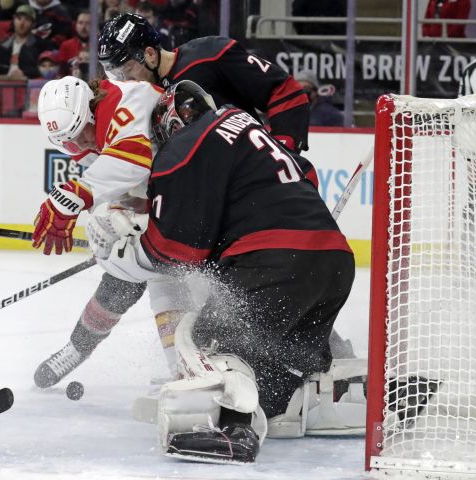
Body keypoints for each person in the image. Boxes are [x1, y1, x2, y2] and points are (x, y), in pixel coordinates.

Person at [91, 80, 356, 464]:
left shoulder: (183, 147)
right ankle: (357, 395)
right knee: (280, 362)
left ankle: (235, 430)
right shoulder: (243, 124)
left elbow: (174, 252)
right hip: (333, 261)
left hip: (277, 262)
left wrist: (114, 254)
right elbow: (304, 174)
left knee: (206, 340)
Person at [31, 75, 197, 389]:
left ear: (91, 112)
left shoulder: (125, 100)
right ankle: (81, 347)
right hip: (173, 195)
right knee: (131, 274)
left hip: (198, 196)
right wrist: (112, 218)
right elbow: (129, 184)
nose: (78, 146)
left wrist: (77, 194)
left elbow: (134, 160)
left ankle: (185, 368)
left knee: (156, 271)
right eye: (67, 142)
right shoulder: (89, 130)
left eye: (80, 134)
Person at [97, 12, 310, 154]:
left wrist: (283, 149)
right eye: (116, 74)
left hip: (251, 177)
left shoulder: (210, 55)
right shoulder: (141, 97)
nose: (125, 82)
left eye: (127, 71)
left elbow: (283, 90)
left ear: (150, 54)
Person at [0, 4, 53, 80]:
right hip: (3, 85)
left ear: (33, 24)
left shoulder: (42, 46)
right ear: (14, 20)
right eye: (19, 19)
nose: (22, 23)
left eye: (27, 20)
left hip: (29, 87)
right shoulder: (2, 45)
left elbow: (45, 68)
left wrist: (24, 73)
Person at [56, 9, 88, 74]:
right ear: (75, 25)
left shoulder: (101, 45)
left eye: (88, 23)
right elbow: (61, 72)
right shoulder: (66, 45)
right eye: (80, 23)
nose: (84, 27)